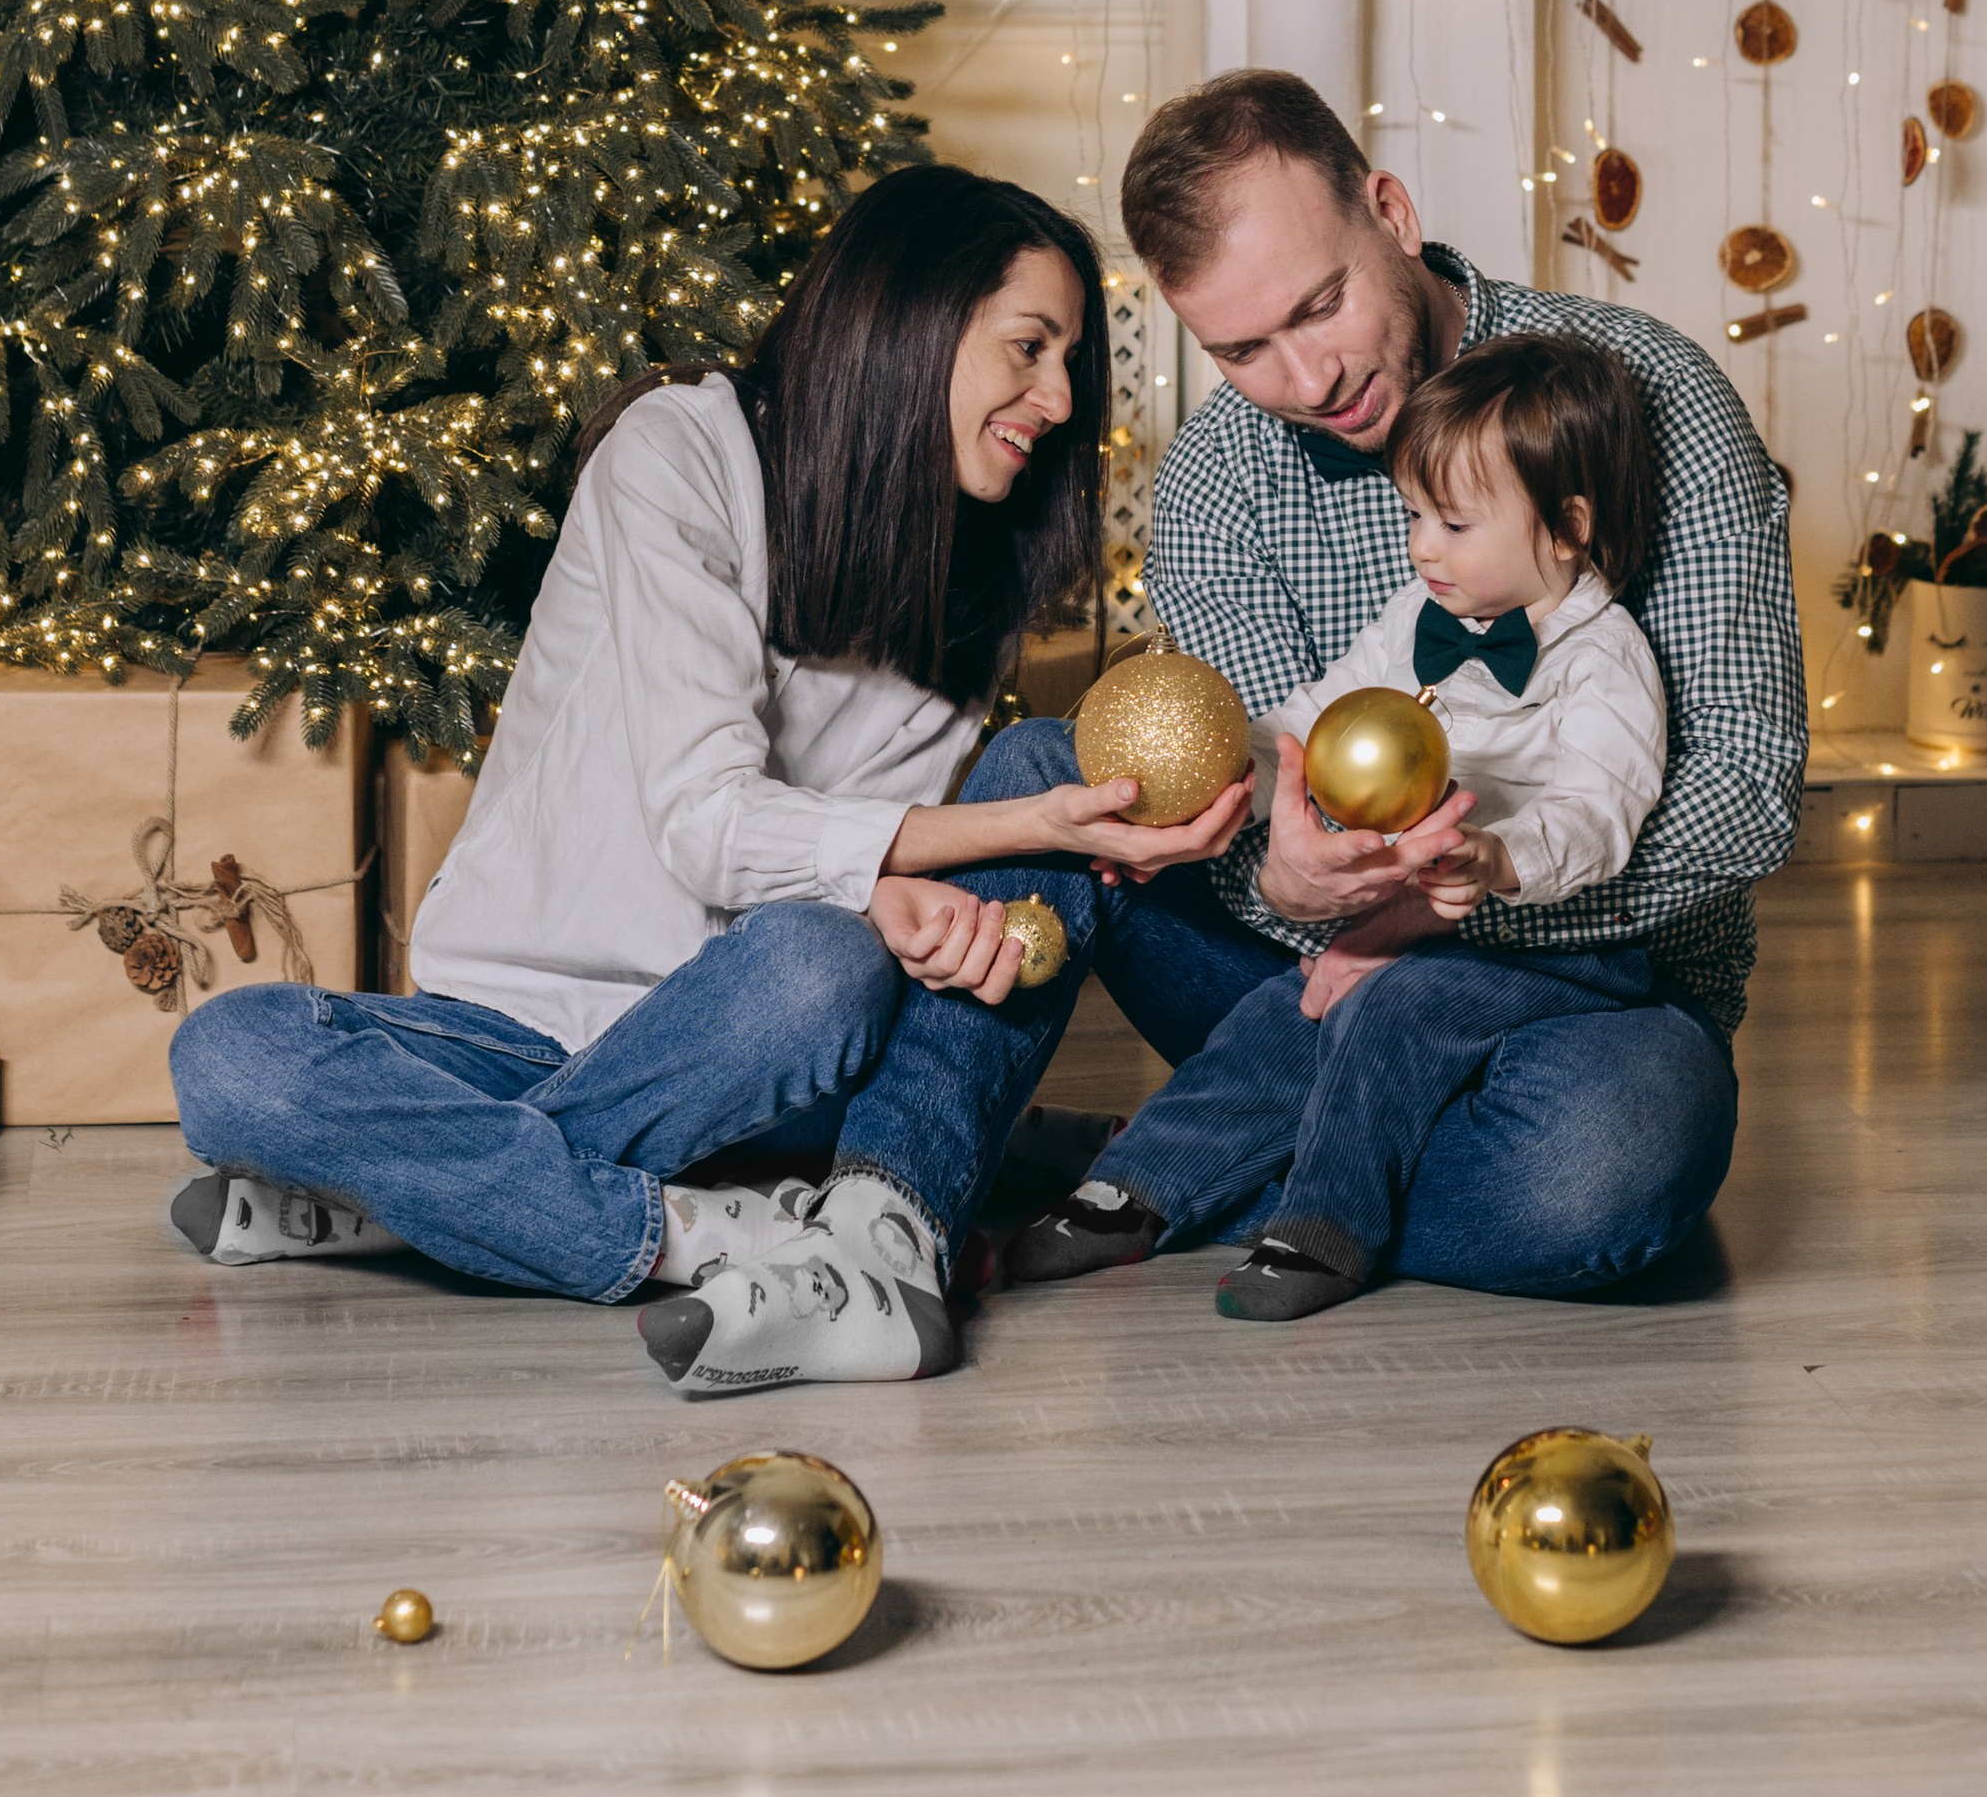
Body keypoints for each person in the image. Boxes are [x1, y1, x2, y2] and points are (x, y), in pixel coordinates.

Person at [664, 67, 1801, 1377]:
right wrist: (1281, 874)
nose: (1311, 377)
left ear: (1391, 212)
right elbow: (1255, 766)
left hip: (1587, 995)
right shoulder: (1217, 479)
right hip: (1299, 983)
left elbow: (1743, 795)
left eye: (1321, 305)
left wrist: (1441, 908)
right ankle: (888, 1221)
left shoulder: (1644, 396)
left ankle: (1188, 1168)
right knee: (1041, 766)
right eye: (1245, 350)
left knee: (1609, 1172)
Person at [162, 164, 1250, 1381]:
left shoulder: (969, 578)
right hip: (510, 1027)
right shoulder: (679, 448)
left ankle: (410, 1200)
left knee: (819, 966)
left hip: (748, 1046)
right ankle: (682, 1229)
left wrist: (902, 899)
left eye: (1071, 363)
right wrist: (1014, 825)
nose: (1059, 398)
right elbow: (709, 825)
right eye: (1029, 347)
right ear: (911, 317)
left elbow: (832, 910)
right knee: (231, 1055)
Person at [1005, 330, 1667, 1320]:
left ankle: (1324, 1225)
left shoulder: (1604, 657)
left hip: (1550, 946)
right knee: (1288, 1012)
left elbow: (1600, 808)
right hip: (1395, 924)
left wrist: (1498, 857)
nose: (1422, 546)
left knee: (1384, 1012)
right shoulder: (1417, 613)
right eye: (1414, 516)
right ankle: (1132, 1188)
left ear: (1567, 527)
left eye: (1453, 522)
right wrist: (1238, 776)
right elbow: (1318, 716)